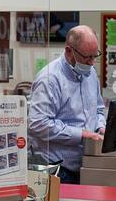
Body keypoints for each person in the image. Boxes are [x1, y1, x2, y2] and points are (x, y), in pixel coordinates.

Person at [27, 25, 106, 184]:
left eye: (94, 56)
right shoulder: (50, 79)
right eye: (87, 57)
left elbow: (98, 110)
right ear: (69, 51)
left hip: (85, 165)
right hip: (57, 170)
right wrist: (82, 134)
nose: (91, 63)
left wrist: (100, 127)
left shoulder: (90, 75)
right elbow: (38, 124)